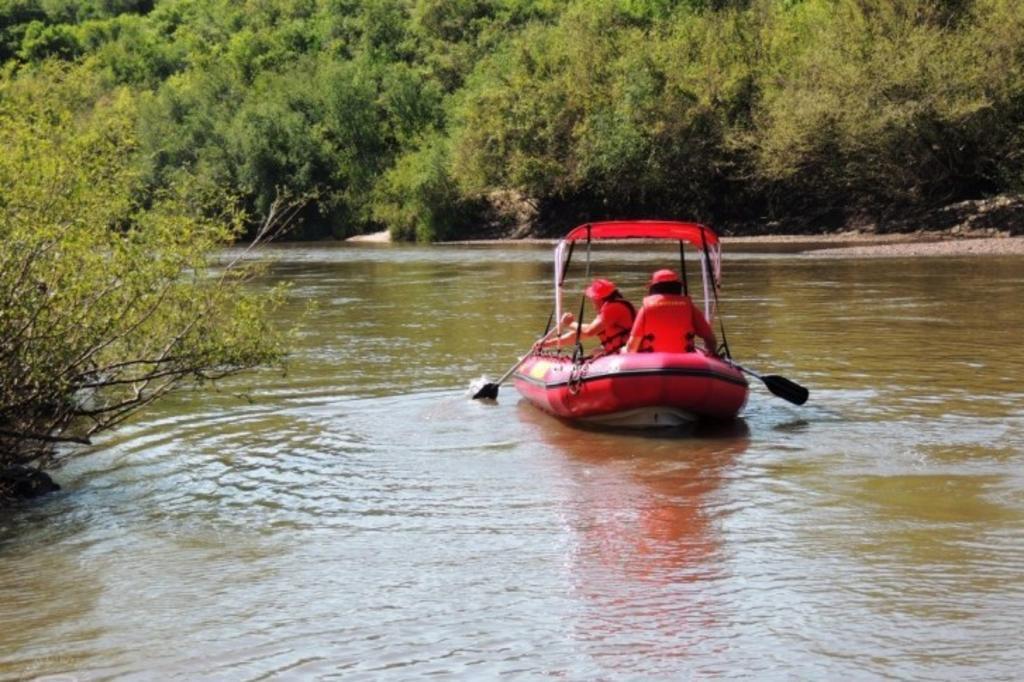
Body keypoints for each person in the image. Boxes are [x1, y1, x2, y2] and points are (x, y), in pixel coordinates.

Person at [624, 269, 718, 354]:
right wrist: (711, 354)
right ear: (677, 287)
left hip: (651, 362)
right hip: (686, 363)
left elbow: (632, 346)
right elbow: (710, 339)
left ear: (653, 288)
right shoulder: (690, 307)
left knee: (624, 350)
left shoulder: (646, 308)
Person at [538, 278, 636, 354]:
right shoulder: (609, 309)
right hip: (622, 352)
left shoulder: (614, 307)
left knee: (596, 352)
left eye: (593, 298)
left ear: (599, 298)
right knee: (596, 352)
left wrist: (570, 323)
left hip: (627, 354)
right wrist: (550, 343)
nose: (592, 301)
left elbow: (589, 331)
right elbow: (581, 334)